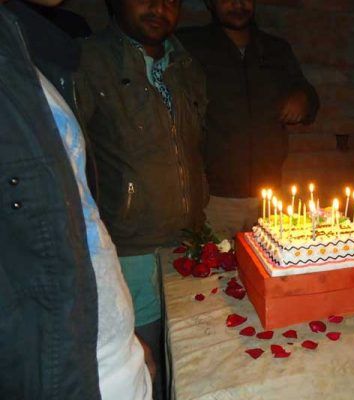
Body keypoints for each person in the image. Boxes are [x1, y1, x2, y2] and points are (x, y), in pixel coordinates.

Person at [0, 0, 151, 399]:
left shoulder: (34, 55)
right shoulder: (89, 59)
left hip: (112, 360)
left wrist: (124, 342)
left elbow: (70, 221)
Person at [76, 0, 209, 398]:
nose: (159, 7)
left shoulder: (185, 64)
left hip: (189, 245)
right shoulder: (87, 62)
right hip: (129, 253)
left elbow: (191, 146)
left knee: (189, 364)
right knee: (145, 373)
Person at [177, 0, 319, 239]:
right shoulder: (190, 46)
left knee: (269, 270)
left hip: (269, 197)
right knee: (212, 273)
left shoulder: (275, 49)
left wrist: (303, 98)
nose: (238, 4)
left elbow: (308, 95)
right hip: (212, 200)